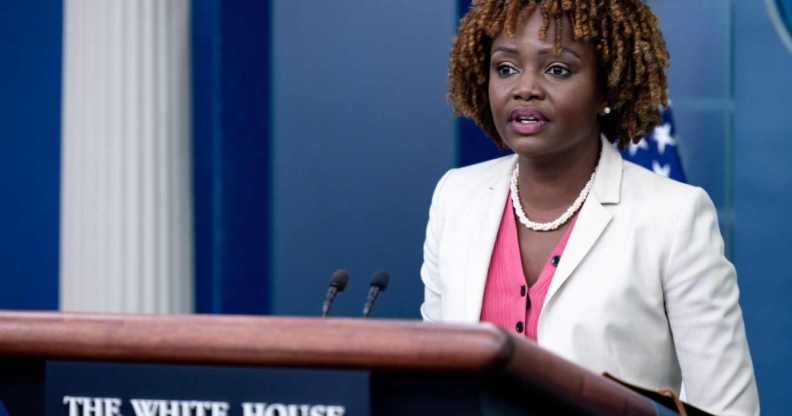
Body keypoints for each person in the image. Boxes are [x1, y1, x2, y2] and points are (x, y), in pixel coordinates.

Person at [418, 1, 759, 415]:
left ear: (606, 89)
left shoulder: (674, 217)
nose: (525, 88)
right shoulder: (456, 198)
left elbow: (727, 410)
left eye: (557, 69)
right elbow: (436, 384)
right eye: (505, 68)